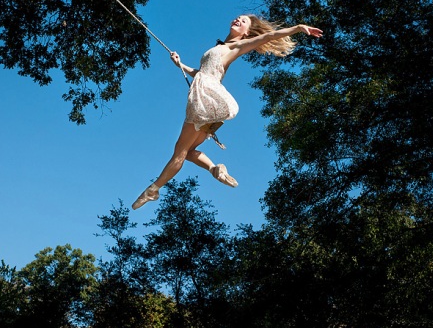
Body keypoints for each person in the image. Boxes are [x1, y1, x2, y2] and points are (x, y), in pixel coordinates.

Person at [132, 14, 323, 210]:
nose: (238, 20)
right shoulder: (221, 47)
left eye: (244, 21)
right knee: (187, 152)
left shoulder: (237, 46)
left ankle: (153, 190)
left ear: (247, 33)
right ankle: (215, 169)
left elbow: (268, 36)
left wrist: (298, 27)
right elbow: (201, 74)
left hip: (205, 100)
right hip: (205, 98)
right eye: (238, 18)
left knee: (179, 152)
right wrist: (180, 65)